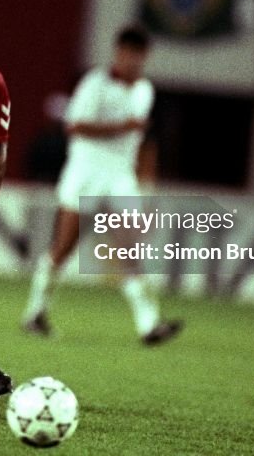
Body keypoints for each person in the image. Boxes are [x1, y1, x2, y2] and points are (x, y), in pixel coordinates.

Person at [21, 25, 183, 345]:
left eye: (139, 55)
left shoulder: (144, 90)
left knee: (129, 249)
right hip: (86, 174)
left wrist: (145, 180)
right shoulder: (95, 83)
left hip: (120, 178)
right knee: (63, 248)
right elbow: (74, 126)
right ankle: (35, 312)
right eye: (128, 53)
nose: (133, 61)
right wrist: (122, 126)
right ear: (118, 52)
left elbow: (141, 141)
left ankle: (148, 324)